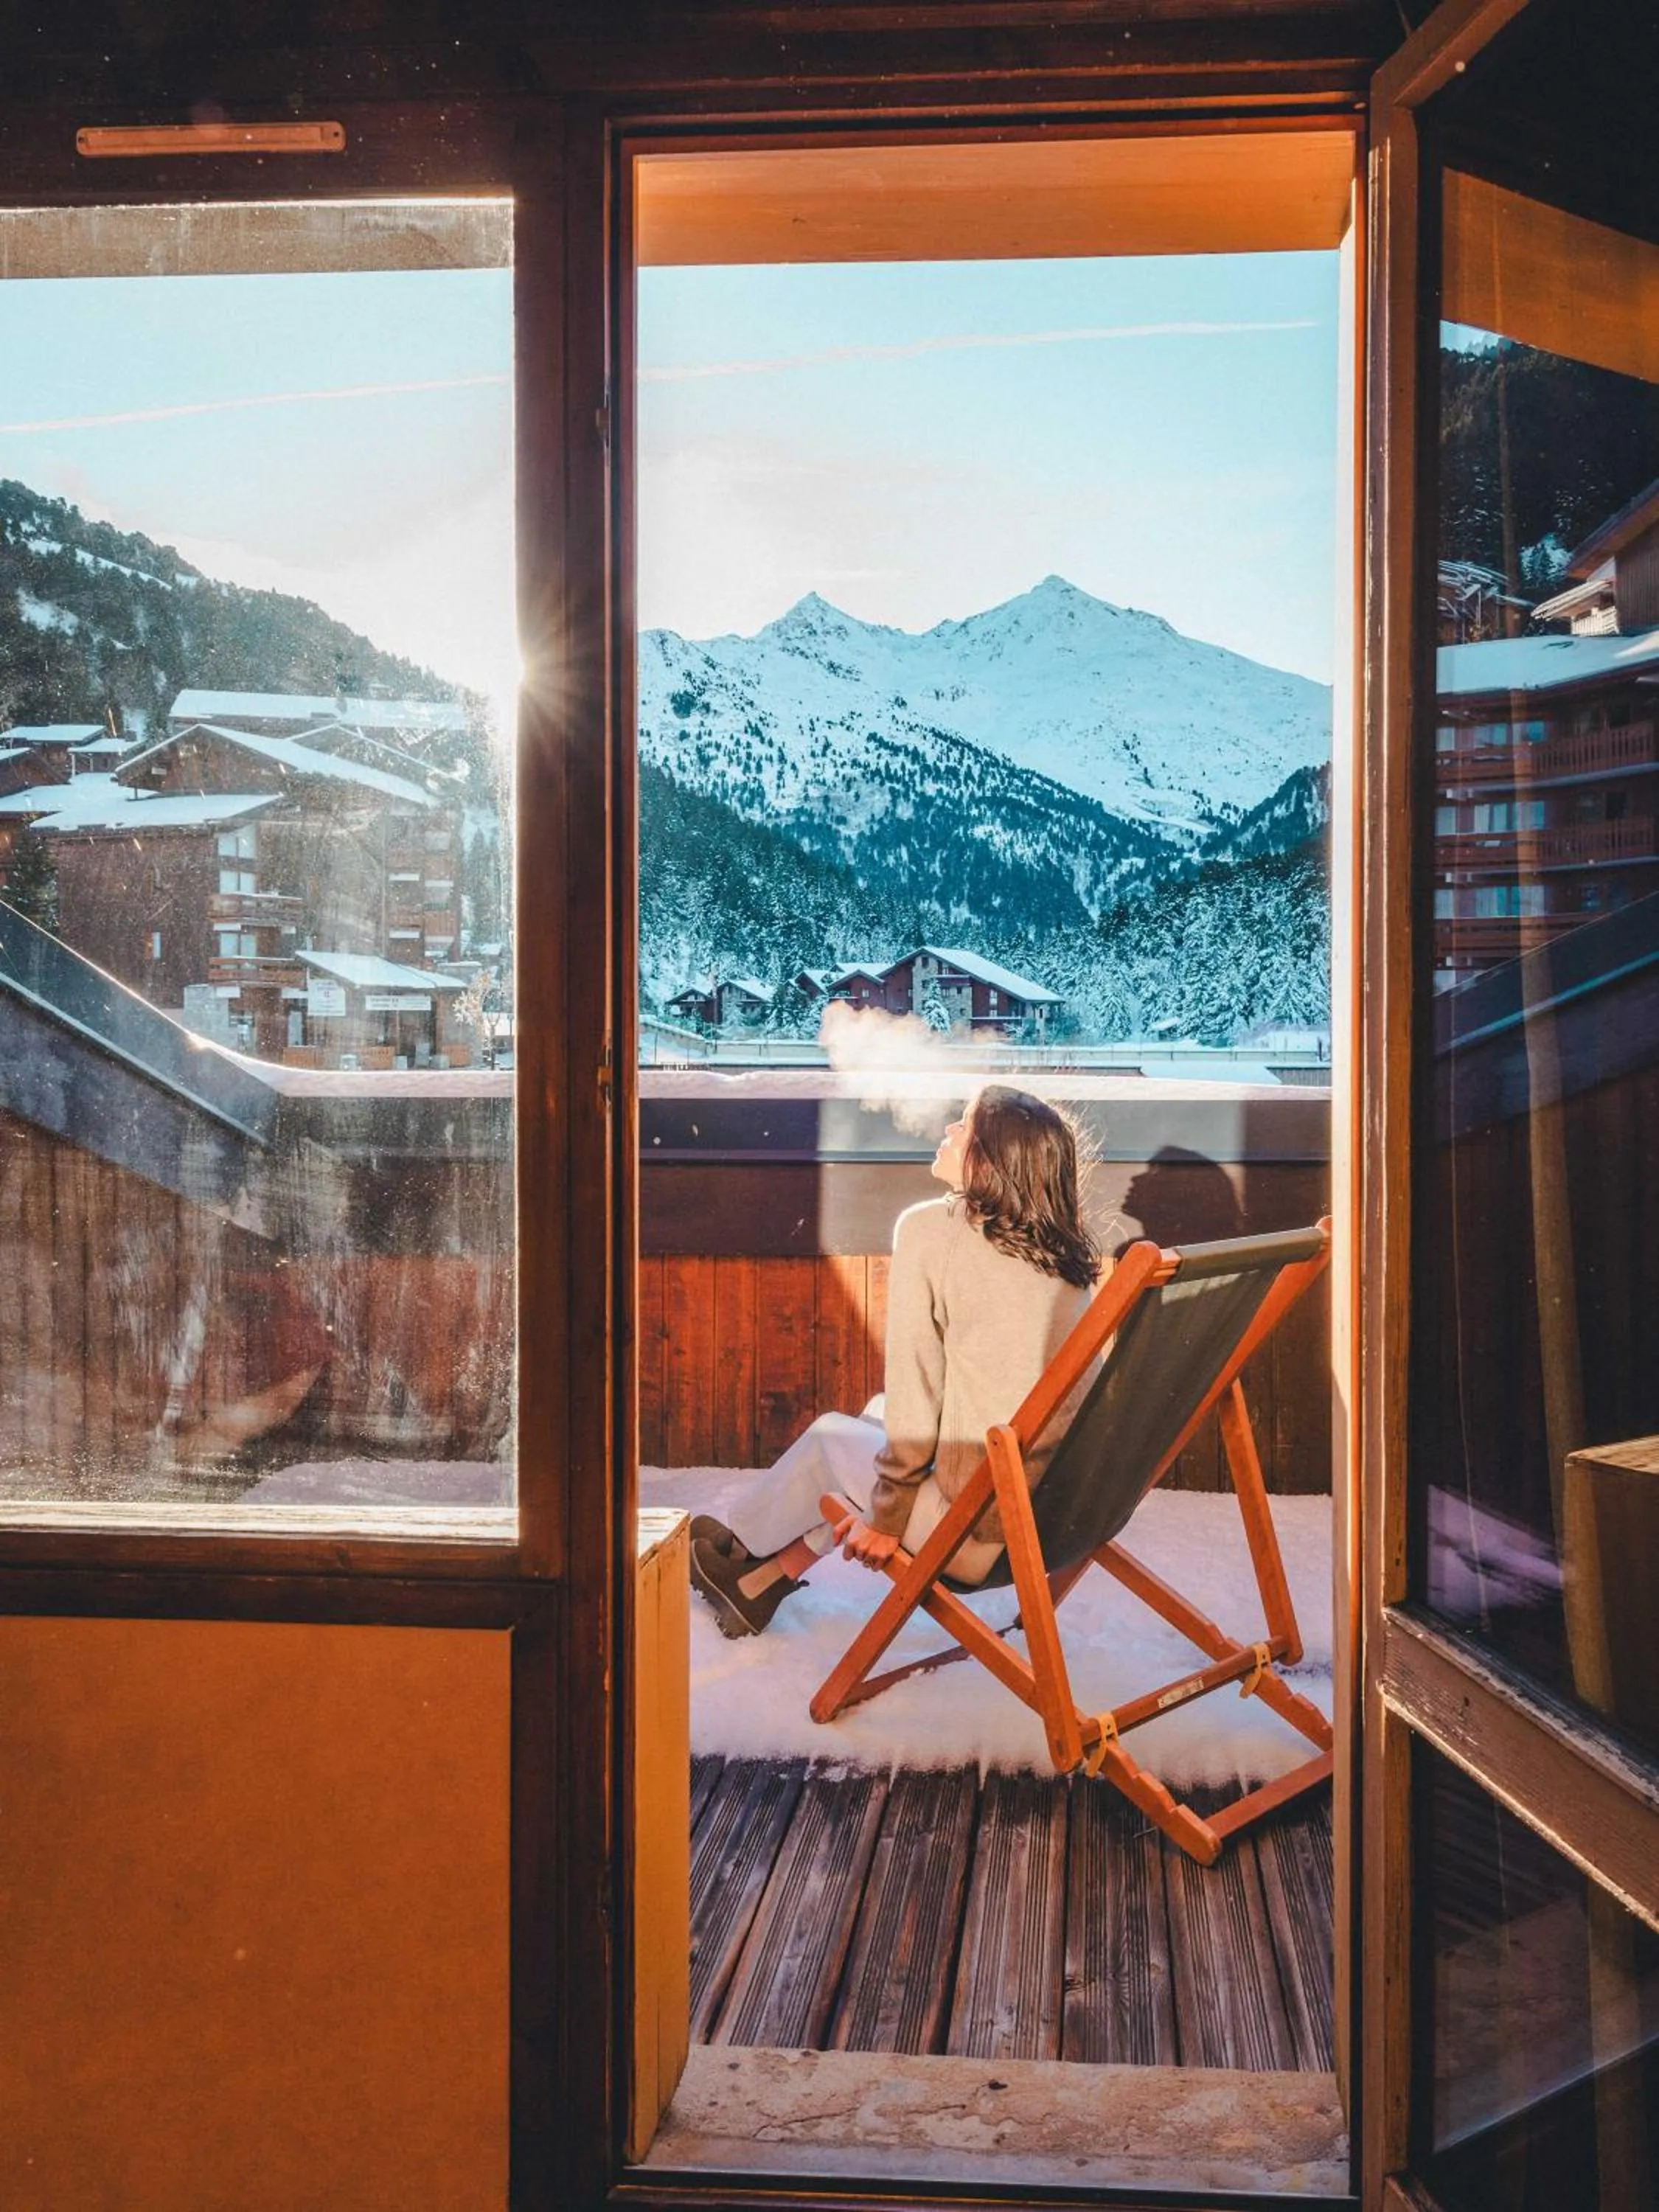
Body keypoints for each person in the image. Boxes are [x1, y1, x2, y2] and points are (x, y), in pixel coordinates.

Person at [689, 1084, 1102, 1638]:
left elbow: (919, 1391)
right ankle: (763, 1580)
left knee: (830, 1440)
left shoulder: (936, 1231)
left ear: (993, 1161)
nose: (951, 1131)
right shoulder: (1063, 1255)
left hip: (973, 1534)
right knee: (874, 1418)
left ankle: (736, 1550)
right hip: (1049, 1518)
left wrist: (885, 1522)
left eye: (965, 1125)